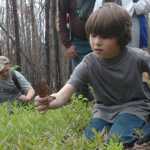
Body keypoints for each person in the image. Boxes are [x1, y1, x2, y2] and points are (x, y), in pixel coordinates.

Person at [35, 3, 150, 148]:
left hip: (134, 107)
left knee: (117, 140)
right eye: (93, 35)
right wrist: (49, 101)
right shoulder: (89, 63)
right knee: (89, 141)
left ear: (121, 36)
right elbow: (64, 93)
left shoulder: (137, 57)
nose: (96, 42)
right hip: (103, 111)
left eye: (105, 37)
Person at [58, 0, 96, 101]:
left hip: (99, 38)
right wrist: (67, 44)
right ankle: (84, 107)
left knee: (101, 76)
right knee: (79, 84)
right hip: (78, 42)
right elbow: (61, 17)